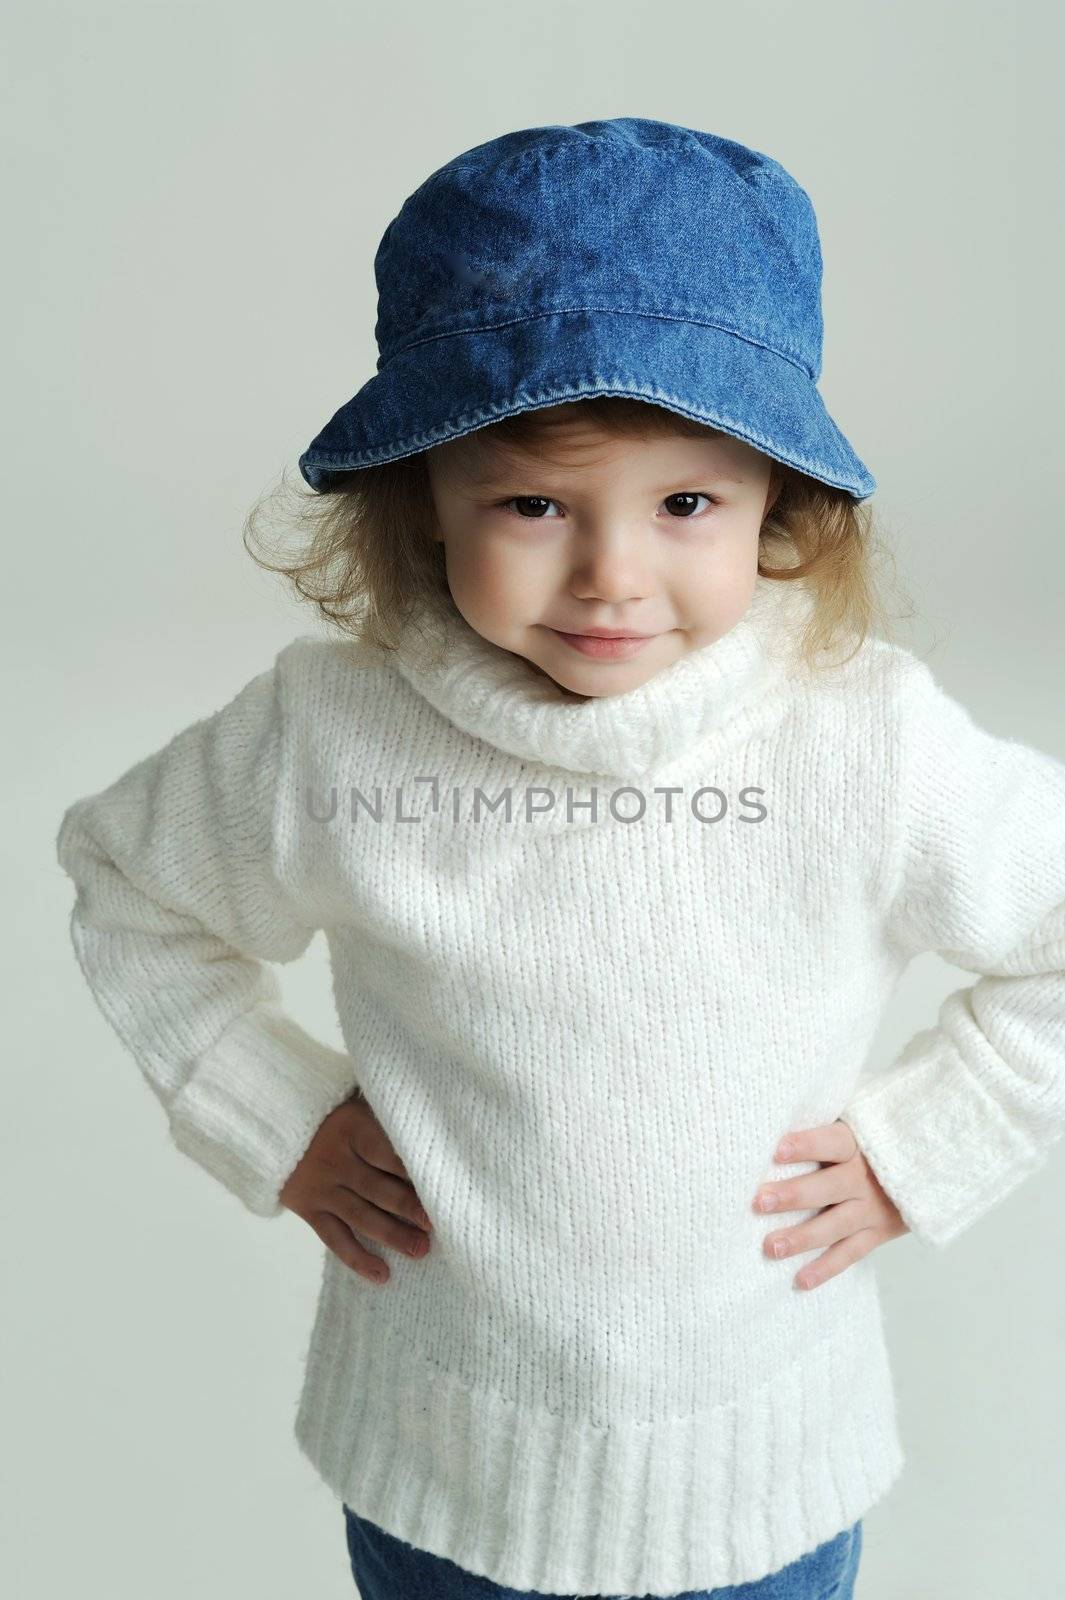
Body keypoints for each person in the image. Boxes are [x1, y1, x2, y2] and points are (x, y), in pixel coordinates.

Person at [55, 118, 1065, 1600]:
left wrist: (930, 1147)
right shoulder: (329, 737)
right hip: (434, 1467)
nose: (609, 574)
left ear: (774, 502)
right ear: (424, 498)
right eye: (531, 504)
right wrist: (266, 1109)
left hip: (758, 1478)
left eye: (685, 504)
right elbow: (132, 885)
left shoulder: (862, 743)